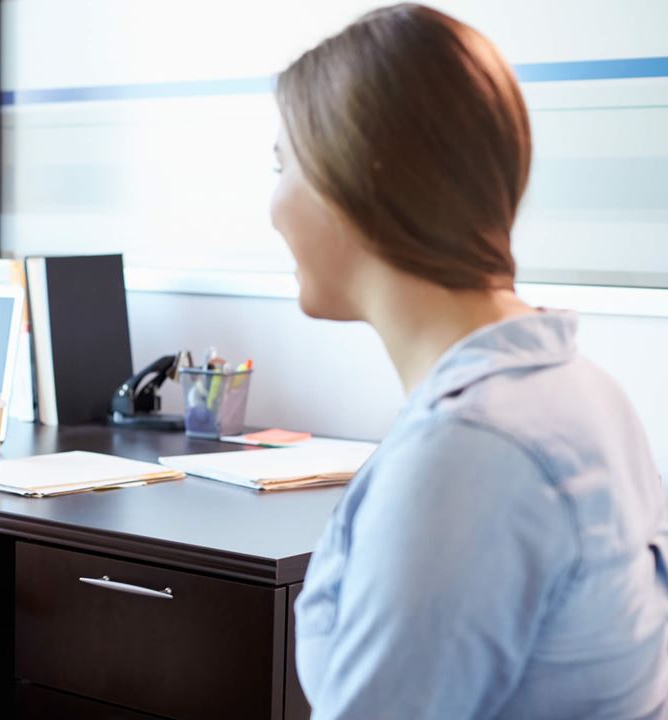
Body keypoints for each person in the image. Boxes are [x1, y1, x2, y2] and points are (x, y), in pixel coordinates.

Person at [271, 4, 668, 718]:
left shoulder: (469, 456)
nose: (272, 210)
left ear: (357, 181)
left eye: (282, 165)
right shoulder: (580, 390)